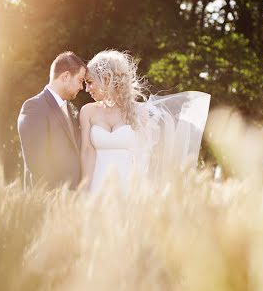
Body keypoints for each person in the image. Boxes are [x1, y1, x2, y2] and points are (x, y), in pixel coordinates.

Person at [79, 49, 210, 193]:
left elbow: (148, 156)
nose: (87, 89)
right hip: (97, 186)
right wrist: (85, 187)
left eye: (90, 82)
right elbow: (87, 151)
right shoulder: (87, 111)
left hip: (129, 188)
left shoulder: (141, 112)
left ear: (106, 79)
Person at [17, 51, 88, 190]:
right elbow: (36, 161)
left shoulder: (72, 109)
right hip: (48, 198)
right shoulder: (34, 107)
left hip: (74, 200)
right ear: (66, 76)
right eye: (80, 80)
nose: (82, 87)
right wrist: (58, 196)